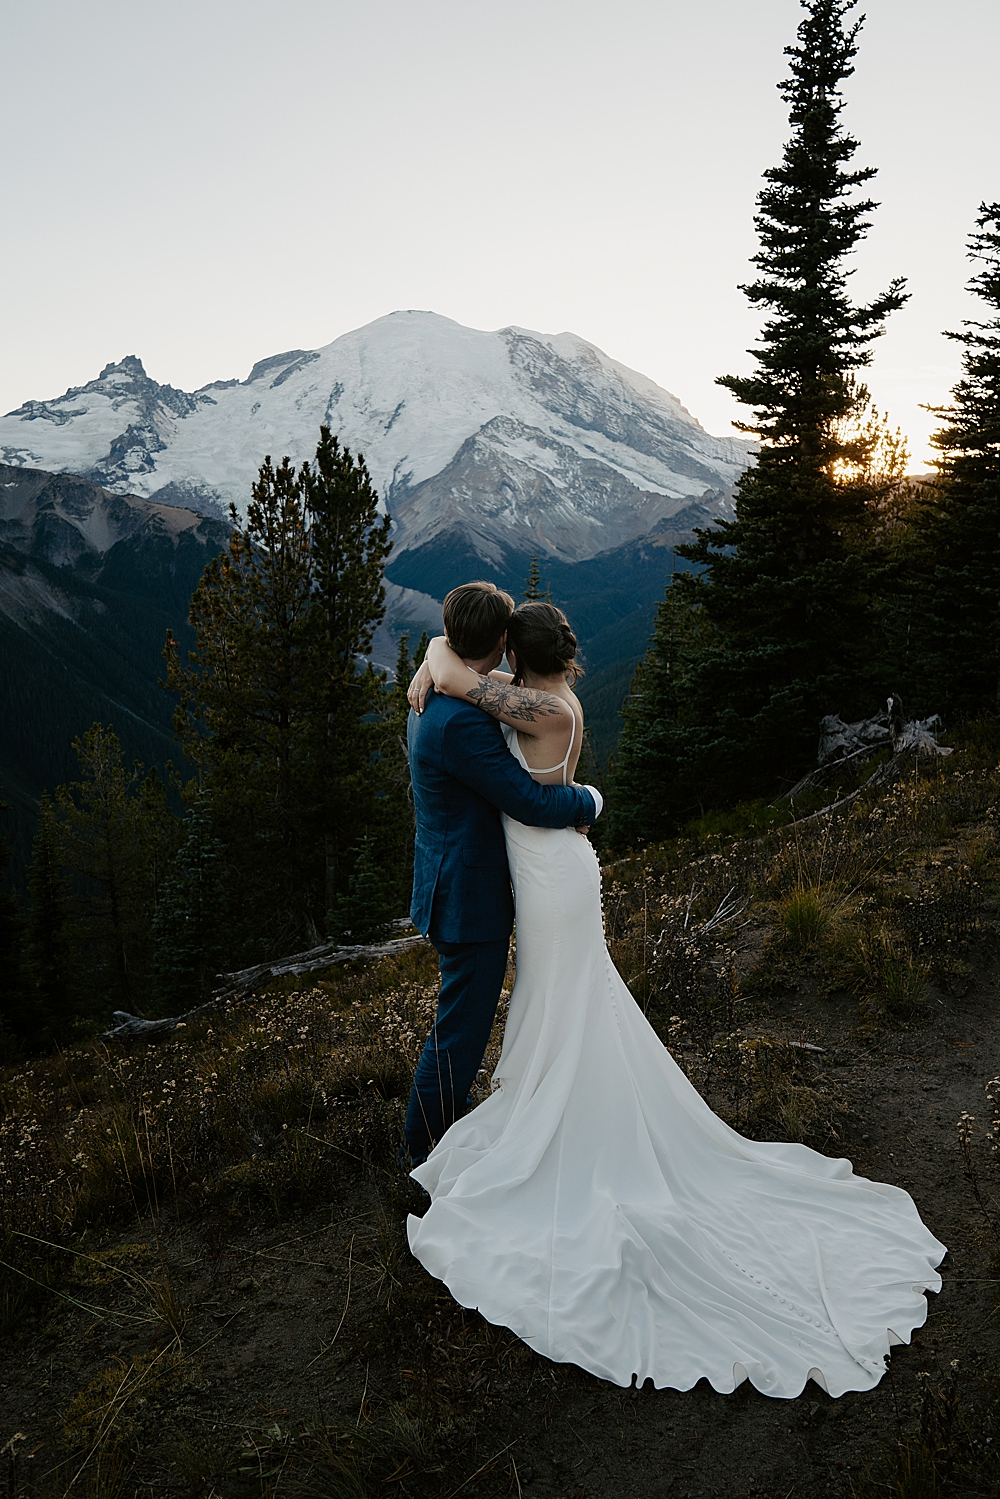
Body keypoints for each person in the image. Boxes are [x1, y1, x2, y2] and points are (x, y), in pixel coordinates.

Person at [403, 599, 946, 1400]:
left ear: (521, 657)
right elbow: (463, 678)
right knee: (562, 1006)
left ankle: (554, 1134)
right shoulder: (532, 695)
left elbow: (479, 701)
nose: (504, 669)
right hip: (541, 876)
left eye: (510, 656)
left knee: (567, 1006)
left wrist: (580, 794)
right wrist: (434, 663)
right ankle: (536, 1118)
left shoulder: (540, 708)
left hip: (552, 877)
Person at [403, 582, 601, 1169]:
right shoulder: (461, 718)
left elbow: (458, 669)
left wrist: (436, 654)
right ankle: (421, 1156)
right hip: (468, 897)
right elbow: (529, 801)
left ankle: (461, 1128)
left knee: (485, 1018)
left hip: (461, 881)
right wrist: (589, 800)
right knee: (460, 1034)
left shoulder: (450, 694)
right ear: (500, 645)